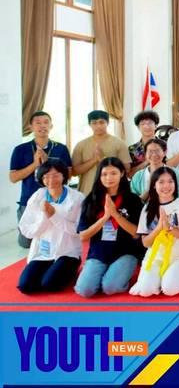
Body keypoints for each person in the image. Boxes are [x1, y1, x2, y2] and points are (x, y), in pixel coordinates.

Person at [74, 158, 142, 297]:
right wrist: (105, 217)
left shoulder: (133, 200)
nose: (108, 178)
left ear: (122, 173)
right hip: (99, 252)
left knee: (110, 288)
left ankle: (118, 275)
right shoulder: (91, 200)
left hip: (125, 252)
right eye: (104, 174)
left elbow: (136, 233)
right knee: (84, 290)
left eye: (113, 173)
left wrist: (115, 215)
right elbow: (83, 236)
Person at [17, 160, 84, 294]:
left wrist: (54, 216)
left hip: (67, 252)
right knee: (25, 286)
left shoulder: (77, 198)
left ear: (64, 176)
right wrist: (44, 217)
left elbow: (79, 230)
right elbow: (26, 229)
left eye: (55, 175)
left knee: (50, 285)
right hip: (43, 252)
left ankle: (71, 269)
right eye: (46, 176)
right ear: (41, 178)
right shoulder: (38, 196)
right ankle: (50, 270)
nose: (51, 180)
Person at [10, 111, 72, 248]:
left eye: (46, 122)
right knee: (26, 243)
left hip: (56, 200)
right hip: (28, 200)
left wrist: (47, 161)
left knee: (55, 239)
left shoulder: (61, 148)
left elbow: (68, 175)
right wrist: (35, 164)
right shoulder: (20, 149)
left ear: (51, 126)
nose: (42, 125)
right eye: (38, 123)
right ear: (31, 126)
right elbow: (13, 178)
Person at [130, 167, 179, 297]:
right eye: (161, 182)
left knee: (170, 289)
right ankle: (160, 278)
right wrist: (159, 228)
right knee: (145, 291)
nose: (166, 186)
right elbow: (146, 243)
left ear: (175, 184)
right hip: (156, 257)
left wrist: (170, 229)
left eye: (170, 181)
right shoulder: (147, 209)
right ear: (154, 185)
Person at [72, 110, 131, 195]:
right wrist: (94, 160)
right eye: (94, 123)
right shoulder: (81, 145)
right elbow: (74, 172)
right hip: (87, 192)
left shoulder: (119, 143)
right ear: (89, 124)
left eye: (101, 122)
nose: (98, 126)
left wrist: (104, 159)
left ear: (107, 123)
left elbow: (127, 169)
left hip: (113, 192)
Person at [129, 110, 160, 177]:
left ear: (156, 125)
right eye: (143, 124)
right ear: (138, 127)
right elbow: (130, 174)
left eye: (150, 123)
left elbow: (171, 167)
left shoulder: (164, 146)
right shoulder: (132, 149)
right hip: (140, 182)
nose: (147, 127)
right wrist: (147, 161)